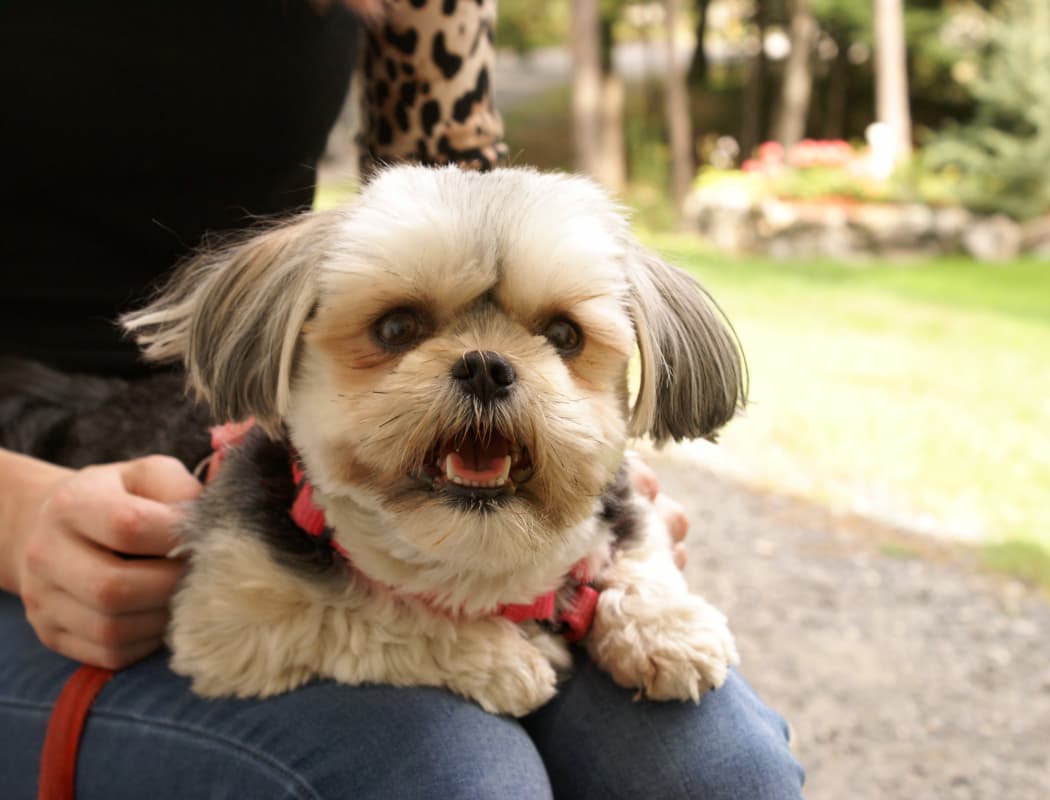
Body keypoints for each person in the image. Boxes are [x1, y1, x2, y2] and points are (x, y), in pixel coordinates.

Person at [0, 2, 804, 797]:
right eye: (399, 327)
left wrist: (612, 535)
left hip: (304, 414)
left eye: (560, 337)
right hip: (45, 456)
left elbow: (462, 205)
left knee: (722, 773)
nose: (486, 369)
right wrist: (17, 513)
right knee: (450, 779)